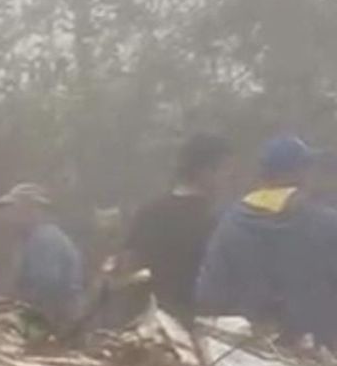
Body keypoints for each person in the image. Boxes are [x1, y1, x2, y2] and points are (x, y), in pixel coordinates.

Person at [196, 135, 337, 346]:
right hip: (318, 357)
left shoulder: (229, 223)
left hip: (247, 355)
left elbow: (208, 294)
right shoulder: (326, 224)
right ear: (299, 173)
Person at [124, 133, 232, 323]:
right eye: (225, 170)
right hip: (197, 330)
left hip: (151, 325)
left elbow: (130, 269)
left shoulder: (149, 213)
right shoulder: (214, 222)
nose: (228, 179)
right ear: (205, 171)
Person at [0, 184, 84, 329]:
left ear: (31, 210)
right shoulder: (33, 238)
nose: (10, 216)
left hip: (53, 321)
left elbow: (46, 286)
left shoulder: (44, 239)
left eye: (15, 209)